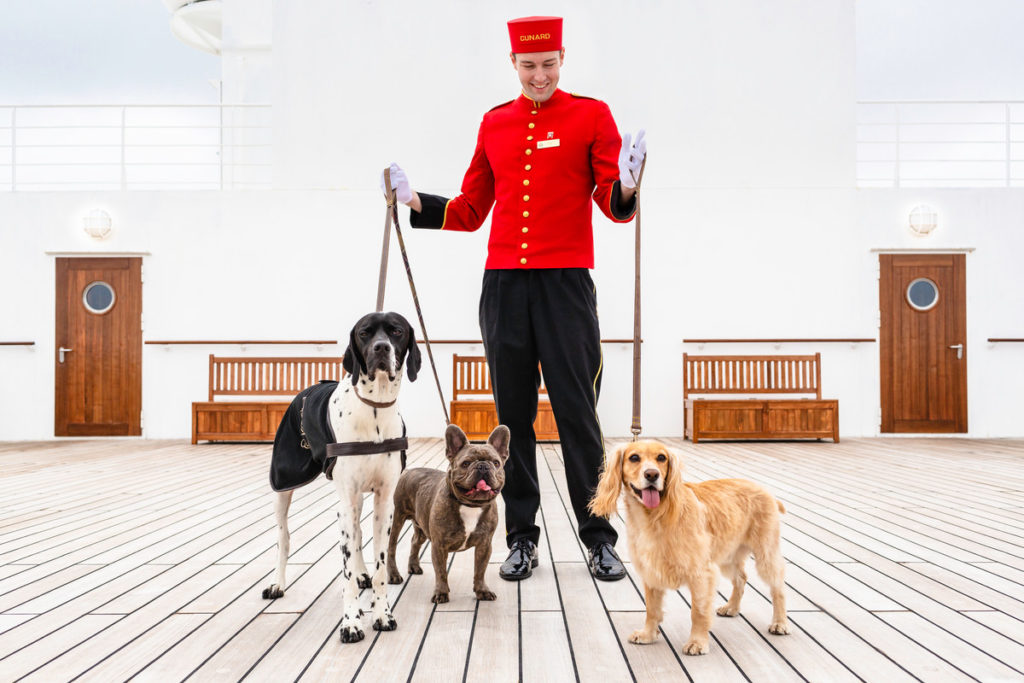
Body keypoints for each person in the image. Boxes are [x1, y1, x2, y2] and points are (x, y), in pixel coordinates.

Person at [382, 15, 645, 582]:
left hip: (566, 285)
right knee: (514, 419)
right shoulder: (495, 122)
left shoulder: (591, 115)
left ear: (561, 60)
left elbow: (611, 201)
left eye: (549, 65)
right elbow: (472, 210)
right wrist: (414, 201)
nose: (540, 76)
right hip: (503, 286)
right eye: (529, 66)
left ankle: (599, 536)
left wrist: (626, 183)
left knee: (577, 413)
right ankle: (520, 537)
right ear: (514, 65)